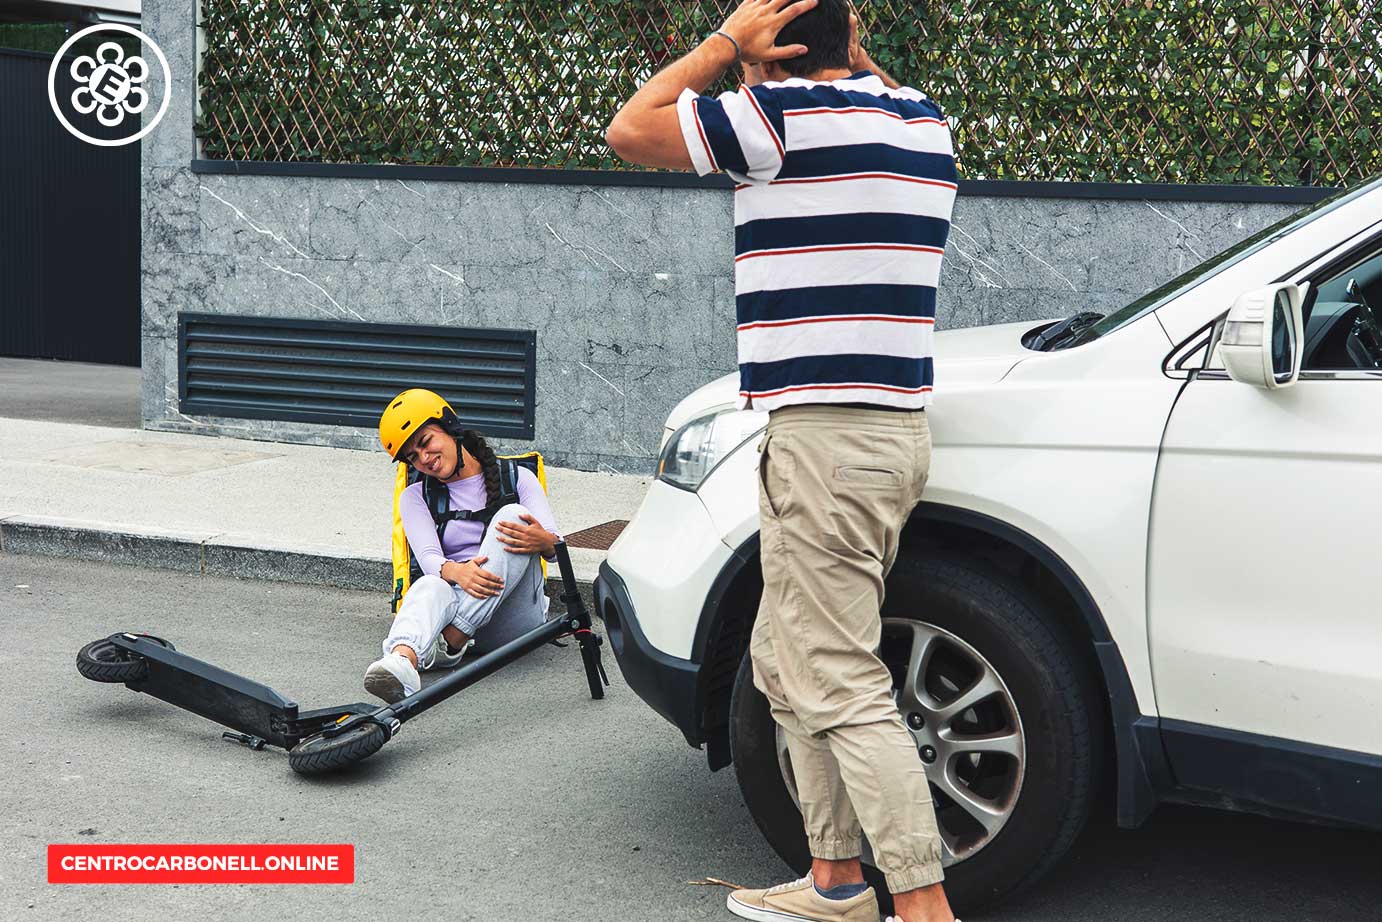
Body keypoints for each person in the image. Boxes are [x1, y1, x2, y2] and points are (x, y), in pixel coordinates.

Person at [607, 3, 959, 922]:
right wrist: (816, 46)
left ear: (778, 53)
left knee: (836, 677)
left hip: (826, 443)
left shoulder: (776, 120)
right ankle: (835, 880)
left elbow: (630, 127)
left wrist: (726, 44)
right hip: (886, 437)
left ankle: (923, 907)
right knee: (783, 655)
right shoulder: (923, 119)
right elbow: (865, 78)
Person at [365, 388, 561, 703]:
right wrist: (458, 572)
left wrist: (545, 542)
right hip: (455, 604)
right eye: (413, 456)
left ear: (450, 428)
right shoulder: (415, 497)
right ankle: (402, 661)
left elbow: (556, 546)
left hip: (512, 621)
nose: (423, 459)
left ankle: (450, 641)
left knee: (511, 516)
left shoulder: (518, 478)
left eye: (426, 442)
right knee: (431, 584)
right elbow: (429, 558)